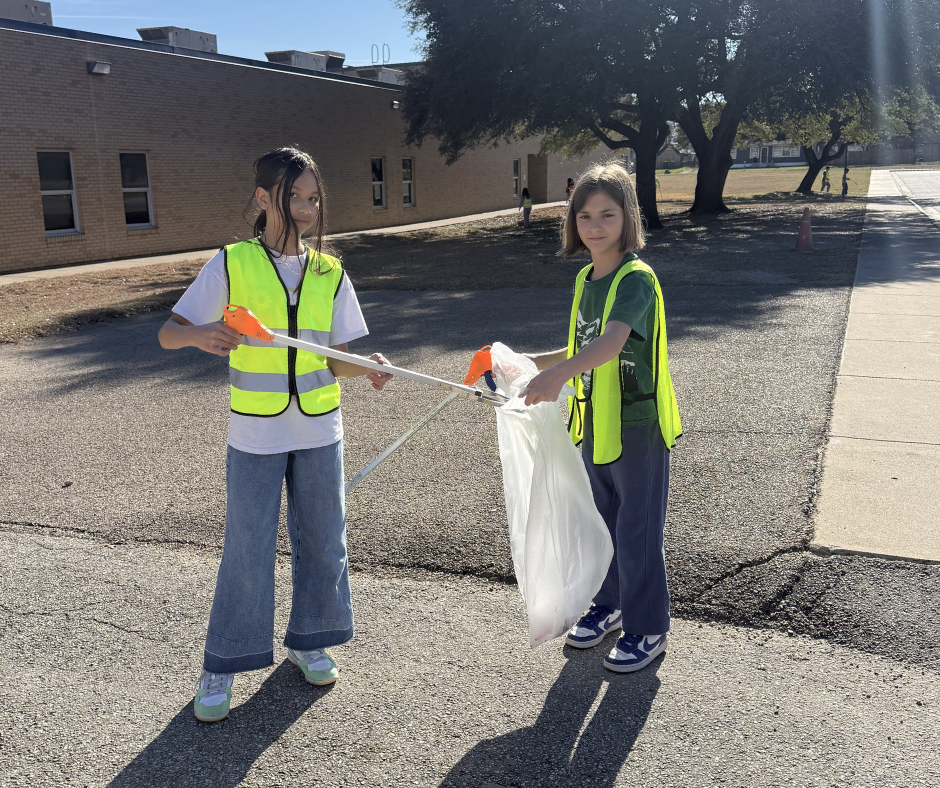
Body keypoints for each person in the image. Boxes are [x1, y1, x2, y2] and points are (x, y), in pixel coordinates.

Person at [157, 147, 393, 722]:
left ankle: (309, 640)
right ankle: (222, 662)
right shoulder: (231, 262)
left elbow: (333, 360)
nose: (307, 208)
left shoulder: (331, 272)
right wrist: (204, 333)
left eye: (314, 198)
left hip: (320, 431)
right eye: (295, 196)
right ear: (264, 199)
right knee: (246, 549)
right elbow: (169, 334)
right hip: (255, 435)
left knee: (322, 540)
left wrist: (365, 367)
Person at [517, 162, 681, 673]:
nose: (595, 226)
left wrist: (558, 377)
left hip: (639, 426)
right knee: (604, 526)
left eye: (607, 214)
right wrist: (521, 365)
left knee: (637, 529)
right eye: (584, 215)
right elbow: (579, 346)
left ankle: (648, 626)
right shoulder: (587, 278)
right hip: (596, 427)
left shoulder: (635, 278)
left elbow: (610, 344)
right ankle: (610, 605)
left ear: (628, 218)